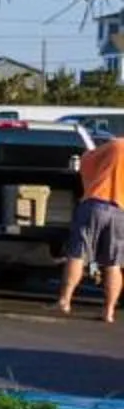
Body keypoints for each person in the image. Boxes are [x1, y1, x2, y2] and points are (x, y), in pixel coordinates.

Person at [57, 126, 124, 320]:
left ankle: (65, 301)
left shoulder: (116, 145)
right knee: (114, 263)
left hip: (96, 203)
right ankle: (109, 311)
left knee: (78, 253)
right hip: (121, 211)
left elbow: (85, 162)